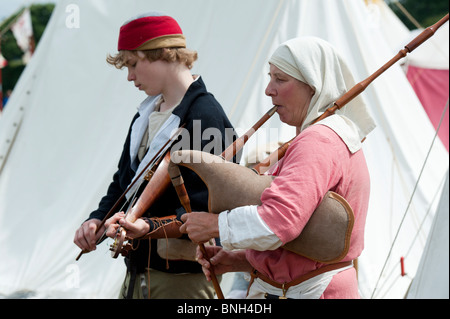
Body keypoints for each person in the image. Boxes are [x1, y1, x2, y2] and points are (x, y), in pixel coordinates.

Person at [180, 36, 376, 299]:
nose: (268, 90)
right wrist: (243, 260)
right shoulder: (330, 136)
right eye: (269, 78)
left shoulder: (319, 140)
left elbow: (279, 222)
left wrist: (216, 225)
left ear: (313, 86)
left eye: (280, 79)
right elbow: (309, 234)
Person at [73, 12, 236, 299]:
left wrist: (147, 226)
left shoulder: (204, 116)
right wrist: (97, 221)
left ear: (163, 54)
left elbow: (210, 208)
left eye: (133, 64)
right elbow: (125, 183)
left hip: (182, 281)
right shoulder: (146, 115)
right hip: (138, 273)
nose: (130, 76)